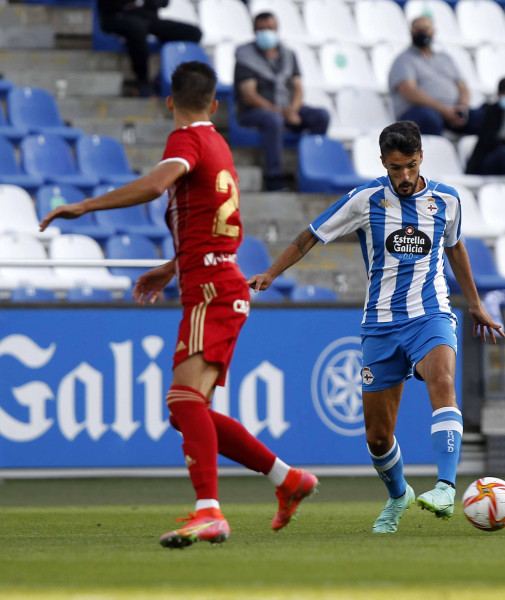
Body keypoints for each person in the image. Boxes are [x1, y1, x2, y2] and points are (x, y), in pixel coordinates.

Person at [40, 62, 318, 548]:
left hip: (211, 288)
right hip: (216, 280)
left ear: (170, 102)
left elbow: (154, 184)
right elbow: (217, 221)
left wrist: (84, 206)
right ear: (214, 104)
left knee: (182, 400)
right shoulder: (220, 144)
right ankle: (286, 479)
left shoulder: (186, 139)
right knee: (189, 408)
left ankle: (209, 511)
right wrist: (172, 266)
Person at [248, 121, 505, 534]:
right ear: (383, 162)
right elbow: (311, 236)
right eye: (396, 168)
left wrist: (473, 302)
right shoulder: (365, 199)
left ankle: (444, 486)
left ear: (422, 157)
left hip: (430, 314)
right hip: (380, 325)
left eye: (411, 166)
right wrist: (271, 273)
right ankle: (399, 494)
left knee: (441, 379)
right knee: (378, 437)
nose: (404, 177)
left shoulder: (447, 200)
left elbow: (454, 247)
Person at [235, 12, 330, 191]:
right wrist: (280, 113)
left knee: (320, 116)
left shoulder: (288, 54)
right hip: (253, 112)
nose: (266, 33)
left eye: (269, 28)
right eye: (261, 29)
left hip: (286, 109)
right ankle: (274, 177)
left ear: (277, 29)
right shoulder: (245, 55)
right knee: (274, 120)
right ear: (254, 31)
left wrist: (293, 110)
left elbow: (298, 87)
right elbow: (249, 95)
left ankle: (311, 168)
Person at [388, 15, 484, 136]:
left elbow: (462, 86)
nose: (423, 33)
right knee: (430, 119)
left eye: (426, 29)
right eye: (418, 29)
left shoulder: (445, 58)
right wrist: (443, 110)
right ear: (412, 32)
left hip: (453, 110)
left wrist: (463, 107)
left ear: (433, 32)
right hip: (419, 111)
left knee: (485, 118)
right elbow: (408, 90)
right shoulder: (404, 60)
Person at [97, 0, 202, 97]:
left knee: (193, 33)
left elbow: (164, 3)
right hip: (118, 17)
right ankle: (142, 81)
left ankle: (162, 78)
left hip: (147, 18)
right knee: (137, 29)